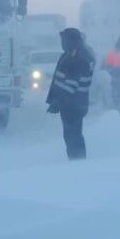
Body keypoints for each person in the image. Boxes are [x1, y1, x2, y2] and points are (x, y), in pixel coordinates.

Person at [46, 28, 94, 160]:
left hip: (74, 104)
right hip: (70, 103)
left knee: (73, 135)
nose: (62, 43)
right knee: (70, 134)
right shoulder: (70, 54)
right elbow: (60, 80)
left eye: (64, 40)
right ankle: (75, 160)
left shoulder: (79, 58)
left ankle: (78, 162)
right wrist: (55, 98)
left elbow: (71, 84)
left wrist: (58, 102)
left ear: (72, 41)